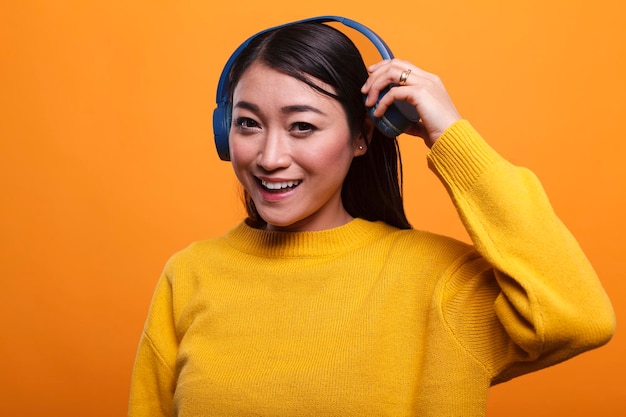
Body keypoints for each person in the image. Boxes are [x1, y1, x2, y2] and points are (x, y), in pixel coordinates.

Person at [128, 17, 615, 417]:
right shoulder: (188, 276)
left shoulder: (441, 283)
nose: (270, 156)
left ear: (363, 136)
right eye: (248, 124)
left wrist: (449, 134)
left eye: (302, 126)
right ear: (223, 132)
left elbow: (580, 318)